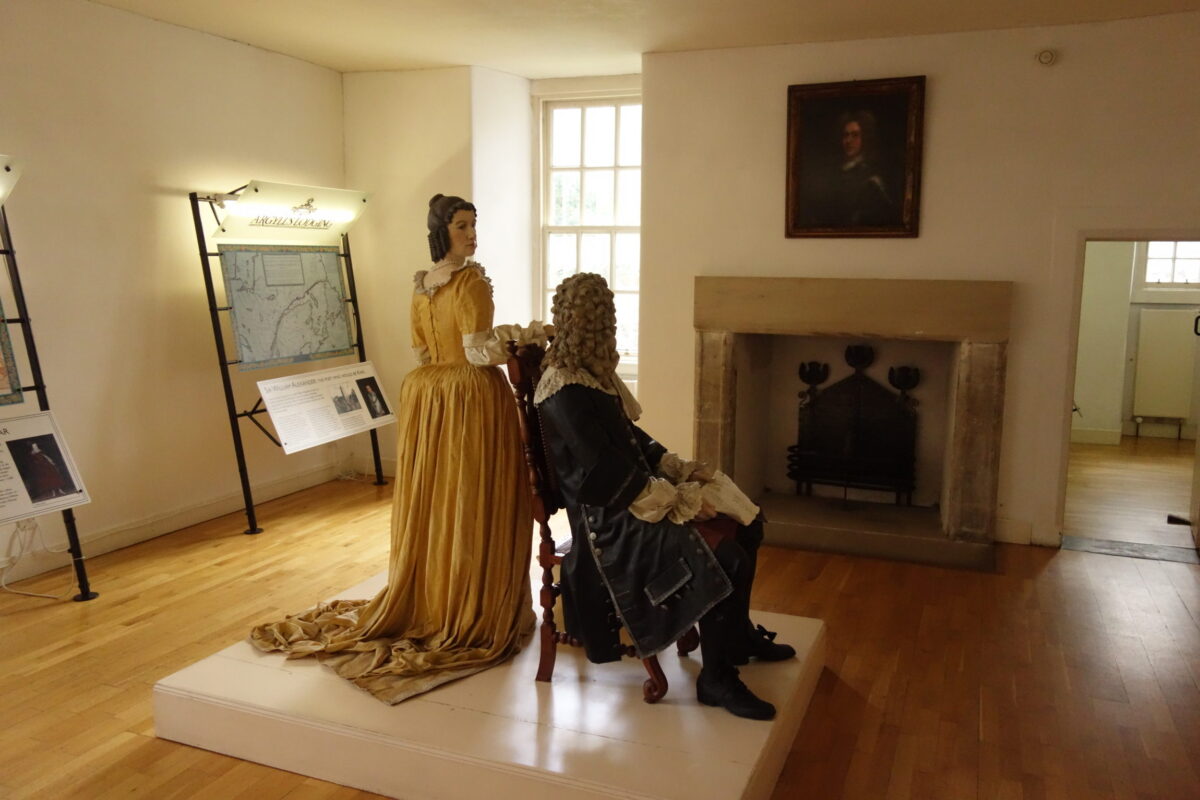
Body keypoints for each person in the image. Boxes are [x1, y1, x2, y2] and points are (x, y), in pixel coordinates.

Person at [250, 194, 548, 704]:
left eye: (473, 224)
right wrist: (532, 334)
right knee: (472, 494)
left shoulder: (422, 285)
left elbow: (422, 352)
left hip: (429, 395)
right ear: (442, 231)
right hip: (470, 396)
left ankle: (434, 593)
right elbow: (479, 351)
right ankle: (469, 604)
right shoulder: (471, 282)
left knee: (438, 497)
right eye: (461, 226)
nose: (471, 234)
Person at [533, 273, 794, 721]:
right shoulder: (564, 390)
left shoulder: (590, 377)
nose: (609, 332)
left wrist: (675, 466)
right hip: (608, 520)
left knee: (747, 521)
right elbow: (604, 472)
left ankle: (736, 638)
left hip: (630, 499)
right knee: (726, 557)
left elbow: (630, 440)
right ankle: (715, 679)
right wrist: (675, 500)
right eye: (604, 323)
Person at [825, 109, 896, 226]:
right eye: (846, 135)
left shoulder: (871, 179)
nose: (848, 141)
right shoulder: (835, 172)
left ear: (865, 138)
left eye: (855, 135)